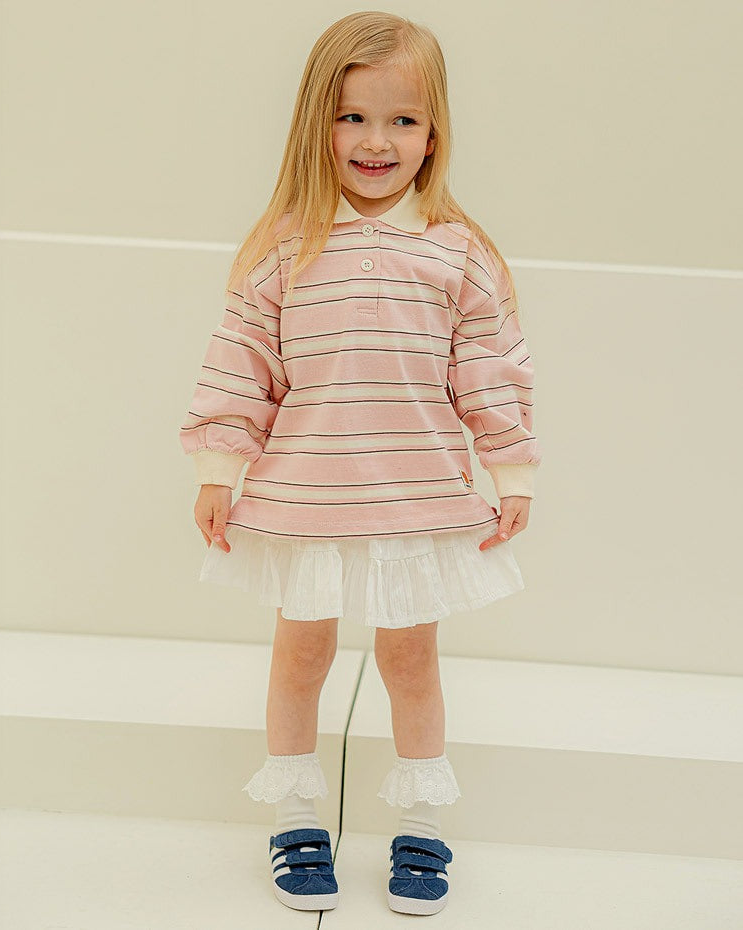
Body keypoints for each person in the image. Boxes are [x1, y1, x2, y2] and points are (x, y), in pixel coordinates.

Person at [178, 10, 542, 917]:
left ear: (434, 132)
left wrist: (512, 472)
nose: (377, 142)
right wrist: (219, 467)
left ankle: (421, 821)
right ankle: (297, 816)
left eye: (402, 120)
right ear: (319, 123)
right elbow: (241, 363)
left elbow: (492, 370)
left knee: (410, 660)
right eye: (353, 117)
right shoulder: (284, 246)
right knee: (300, 654)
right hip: (304, 496)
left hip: (416, 496)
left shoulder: (459, 251)